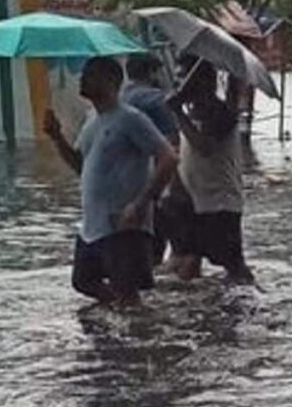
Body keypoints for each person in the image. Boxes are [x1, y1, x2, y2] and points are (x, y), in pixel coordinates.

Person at [43, 57, 179, 307]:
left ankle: (136, 333)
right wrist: (56, 137)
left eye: (89, 75)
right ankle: (117, 321)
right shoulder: (92, 120)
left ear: (110, 81)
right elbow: (81, 166)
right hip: (93, 226)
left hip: (123, 224)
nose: (82, 80)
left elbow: (169, 158)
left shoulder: (130, 118)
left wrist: (140, 205)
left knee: (127, 290)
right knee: (83, 281)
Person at [164, 57, 255, 285]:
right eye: (177, 80)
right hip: (194, 200)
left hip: (220, 202)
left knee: (233, 266)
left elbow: (205, 147)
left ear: (204, 82)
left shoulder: (221, 113)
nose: (180, 86)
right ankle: (200, 311)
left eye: (184, 79)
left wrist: (178, 112)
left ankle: (250, 304)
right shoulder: (194, 112)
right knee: (186, 260)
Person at [122, 54, 180, 266]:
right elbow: (173, 143)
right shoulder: (157, 100)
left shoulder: (119, 99)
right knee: (156, 245)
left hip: (122, 182)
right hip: (153, 182)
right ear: (153, 72)